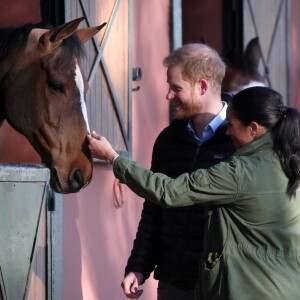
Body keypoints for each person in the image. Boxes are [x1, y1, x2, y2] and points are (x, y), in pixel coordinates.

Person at [87, 86, 300, 300]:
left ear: (253, 129)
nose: (227, 132)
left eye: (232, 126)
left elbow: (169, 191)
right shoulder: (291, 162)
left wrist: (113, 158)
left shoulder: (241, 172)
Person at [120, 43, 235, 299]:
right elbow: (154, 210)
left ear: (202, 86)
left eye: (176, 87)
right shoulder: (168, 140)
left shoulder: (241, 140)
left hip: (223, 287)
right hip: (173, 284)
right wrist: (138, 267)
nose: (168, 96)